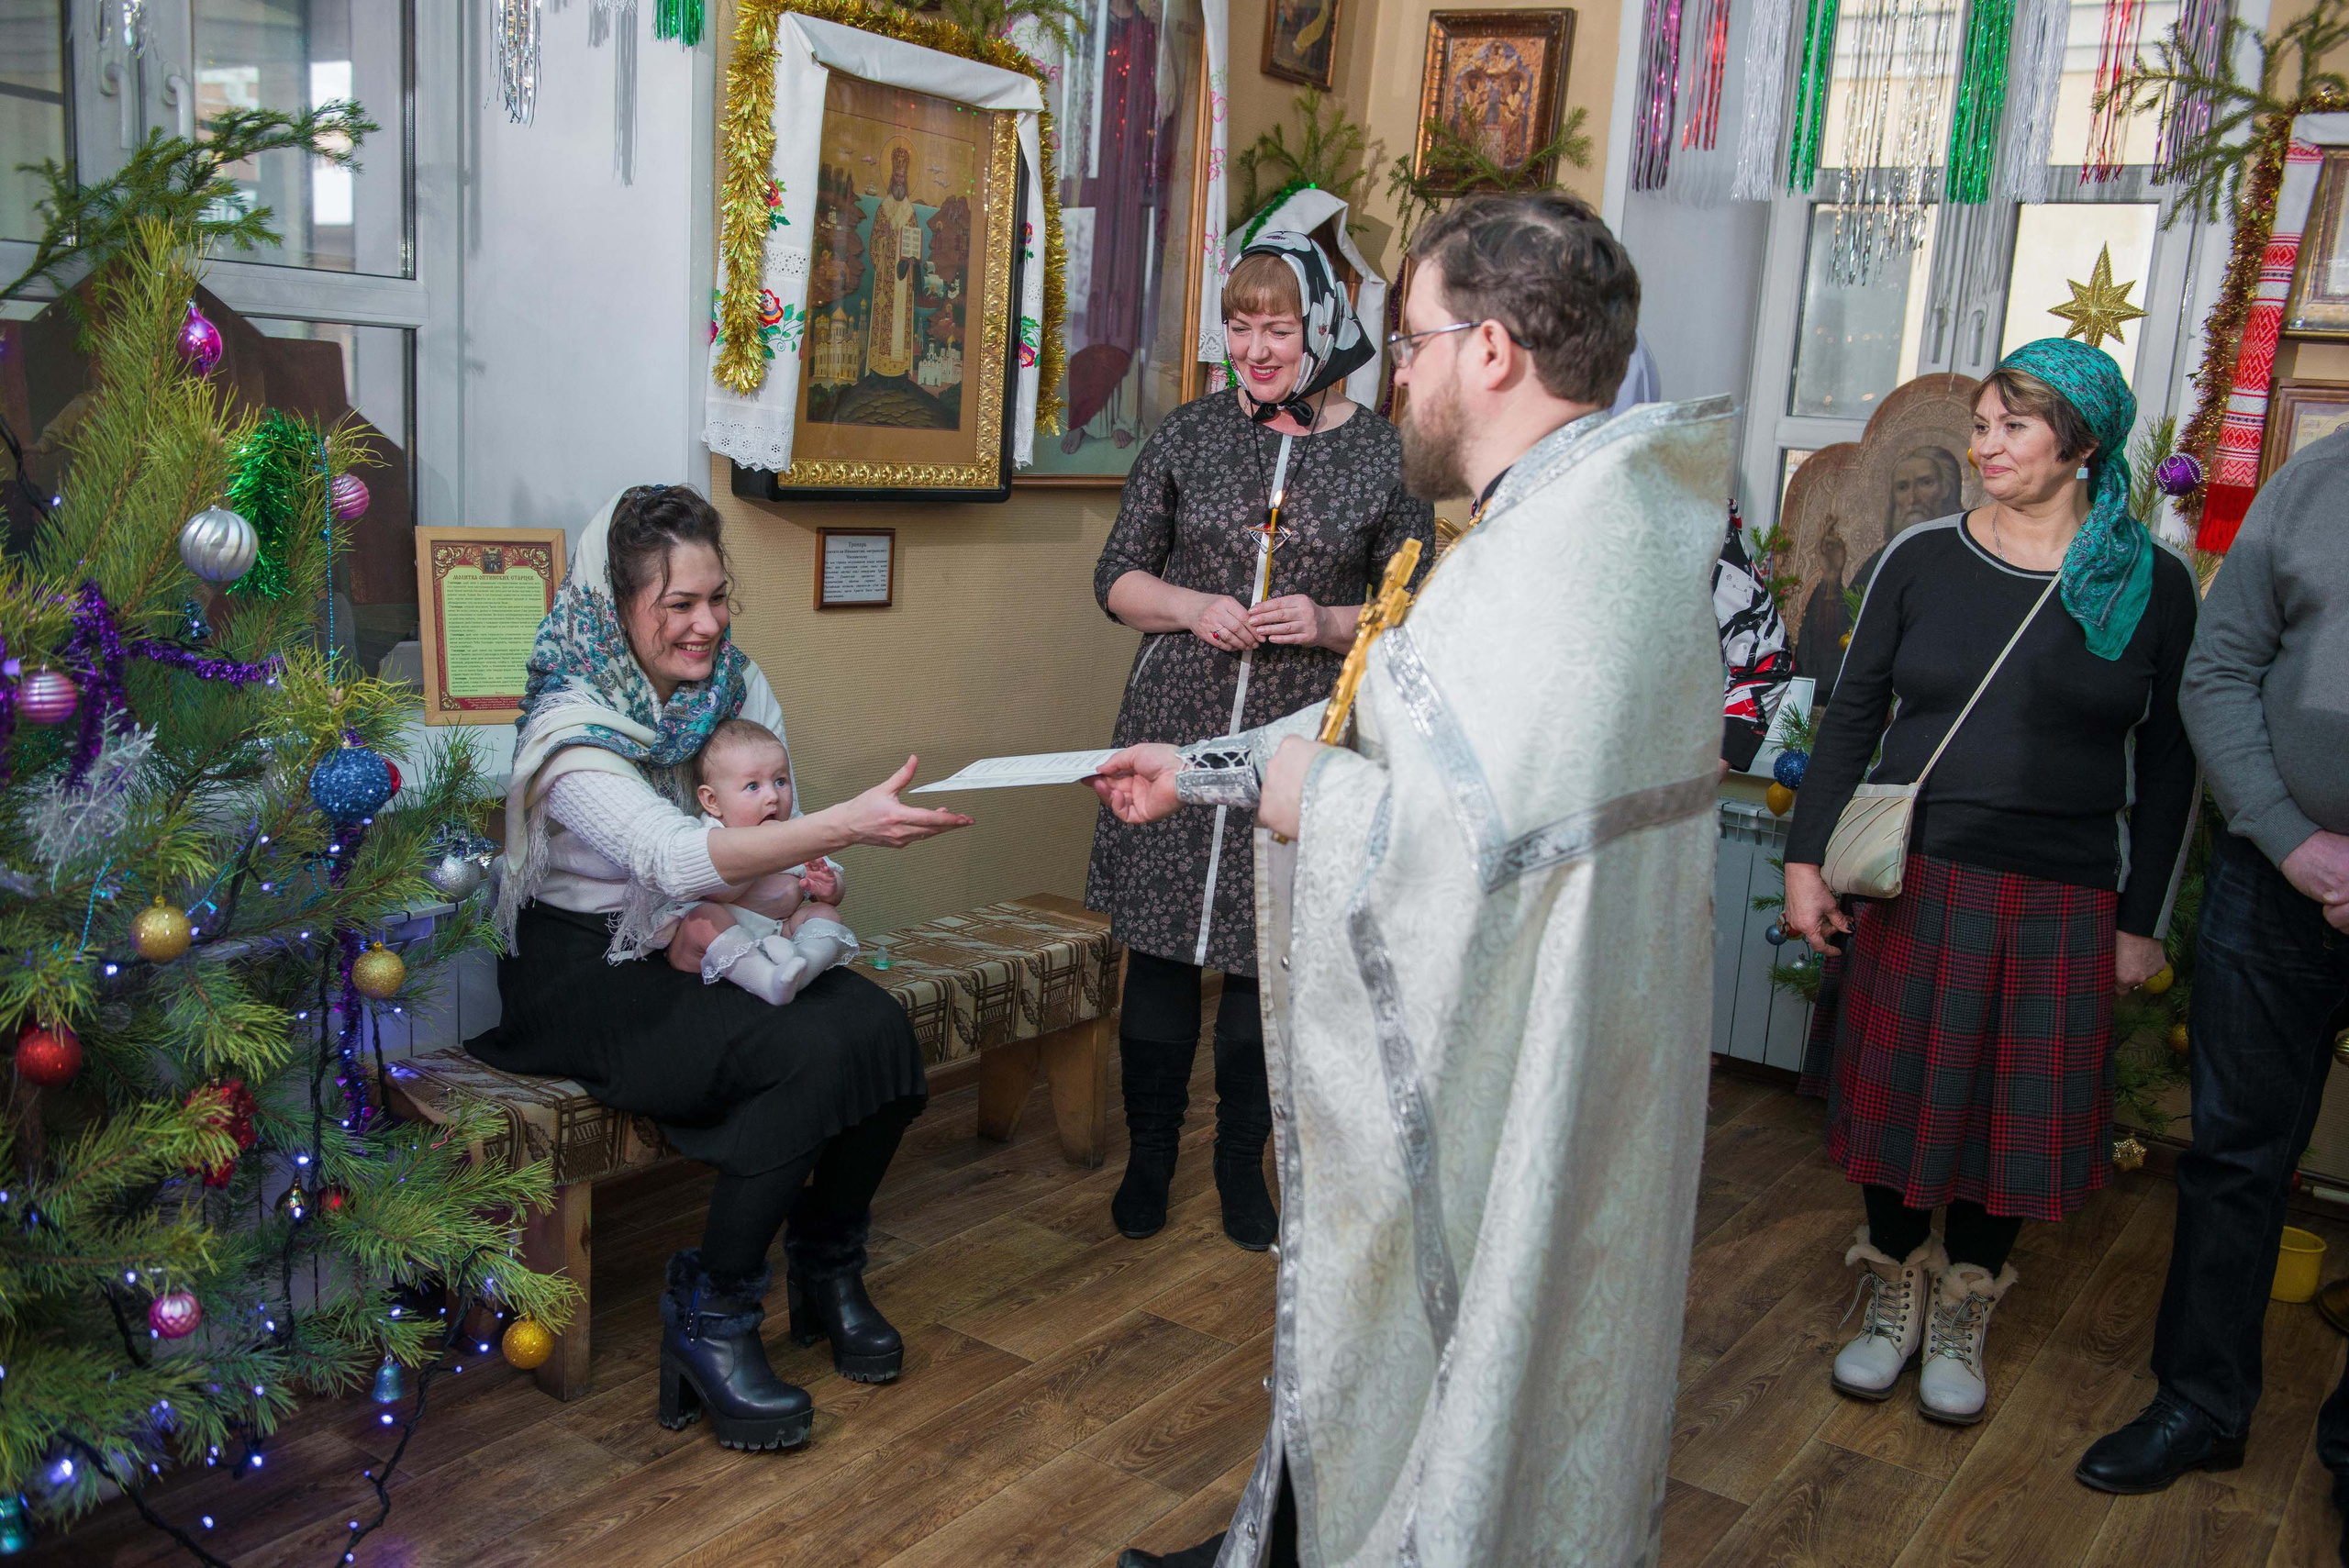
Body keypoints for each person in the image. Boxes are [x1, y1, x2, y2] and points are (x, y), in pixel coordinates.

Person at [1102, 192, 1733, 1566]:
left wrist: (1297, 795)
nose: (1396, 374)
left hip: (1498, 1064)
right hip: (1554, 1051)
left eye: (1413, 341)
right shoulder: (1596, 529)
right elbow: (1407, 745)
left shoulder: (1540, 575)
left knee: (1423, 1331)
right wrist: (1204, 770)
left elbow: (1441, 845)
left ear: (1491, 350)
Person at [473, 484, 972, 1453]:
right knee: (801, 1054)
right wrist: (842, 828)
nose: (706, 624)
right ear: (615, 607)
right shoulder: (568, 725)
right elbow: (670, 857)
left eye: (715, 598)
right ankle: (714, 1311)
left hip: (709, 928)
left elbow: (776, 825)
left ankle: (827, 1264)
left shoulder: (735, 688)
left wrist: (812, 873)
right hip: (587, 968)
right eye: (677, 604)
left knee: (874, 1027)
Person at [1780, 339, 2200, 1426]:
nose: (1985, 446)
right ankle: (1891, 1289)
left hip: (2064, 892)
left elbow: (2169, 764)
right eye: (1980, 424)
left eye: (2013, 425)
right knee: (1897, 1098)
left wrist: (2141, 919)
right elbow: (1851, 716)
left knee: (2008, 1111)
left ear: (2082, 444)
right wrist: (1803, 862)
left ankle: (1964, 1302)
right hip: (1915, 877)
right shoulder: (1919, 559)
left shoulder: (2150, 584)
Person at [1086, 230, 1433, 1251]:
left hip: (1299, 737)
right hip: (1174, 722)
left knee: (1263, 963)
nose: (1254, 349)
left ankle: (1243, 1162)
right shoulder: (1186, 435)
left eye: (1277, 327)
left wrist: (1326, 622)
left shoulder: (1384, 454)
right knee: (1158, 956)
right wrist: (1193, 605)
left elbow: (1412, 606)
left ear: (1322, 328)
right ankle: (1150, 1155)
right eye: (1239, 327)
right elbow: (1116, 578)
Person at [2075, 428, 2349, 1533]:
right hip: (2270, 879)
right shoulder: (2311, 483)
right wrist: (2291, 839)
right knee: (2235, 1157)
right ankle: (2200, 1404)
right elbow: (2219, 671)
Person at [660, 717, 861, 1006]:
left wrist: (829, 887)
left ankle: (800, 968)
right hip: (710, 950)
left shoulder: (794, 831)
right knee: (703, 919)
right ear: (712, 801)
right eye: (753, 786)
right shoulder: (712, 834)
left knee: (824, 913)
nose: (772, 796)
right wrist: (763, 853)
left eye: (780, 781)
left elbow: (833, 890)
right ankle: (767, 979)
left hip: (779, 935)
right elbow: (719, 892)